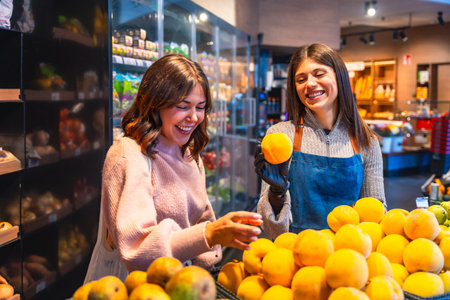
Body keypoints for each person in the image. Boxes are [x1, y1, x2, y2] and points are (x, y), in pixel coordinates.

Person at [84, 54, 262, 283]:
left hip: (184, 284)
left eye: (201, 107)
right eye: (182, 106)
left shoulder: (190, 154)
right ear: (155, 104)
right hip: (138, 290)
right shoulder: (129, 155)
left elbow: (201, 222)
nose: (194, 117)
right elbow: (137, 251)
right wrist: (208, 234)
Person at [254, 43, 385, 238]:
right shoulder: (280, 136)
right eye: (301, 79)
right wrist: (276, 193)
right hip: (295, 256)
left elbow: (375, 217)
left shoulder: (366, 140)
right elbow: (272, 229)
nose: (310, 84)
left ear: (339, 77)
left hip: (348, 256)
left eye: (319, 74)